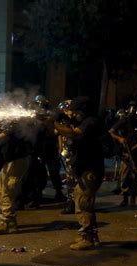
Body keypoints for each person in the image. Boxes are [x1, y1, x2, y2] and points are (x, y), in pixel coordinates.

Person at [54, 96, 105, 250]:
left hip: (91, 169)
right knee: (84, 202)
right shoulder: (87, 121)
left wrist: (53, 123)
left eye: (75, 111)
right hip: (87, 168)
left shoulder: (91, 122)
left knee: (83, 203)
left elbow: (74, 133)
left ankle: (87, 238)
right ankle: (91, 236)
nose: (73, 114)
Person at [0, 115, 43, 235]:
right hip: (10, 161)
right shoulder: (12, 124)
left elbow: (0, 138)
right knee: (1, 191)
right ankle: (8, 221)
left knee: (7, 192)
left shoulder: (14, 124)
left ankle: (7, 223)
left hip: (16, 161)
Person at [109, 101, 137, 207]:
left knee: (135, 176)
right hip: (125, 152)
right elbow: (111, 131)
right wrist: (120, 139)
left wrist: (136, 146)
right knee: (124, 175)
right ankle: (125, 197)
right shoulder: (125, 120)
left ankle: (133, 197)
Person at [33, 94, 66, 202]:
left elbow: (56, 133)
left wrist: (60, 146)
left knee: (53, 171)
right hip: (39, 146)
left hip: (50, 146)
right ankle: (37, 194)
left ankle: (58, 192)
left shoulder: (51, 115)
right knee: (39, 172)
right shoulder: (35, 115)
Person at [56, 99, 77, 214]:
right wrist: (60, 148)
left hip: (75, 152)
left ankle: (74, 202)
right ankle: (71, 201)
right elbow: (60, 134)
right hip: (67, 151)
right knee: (69, 179)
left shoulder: (76, 121)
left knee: (74, 179)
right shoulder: (64, 121)